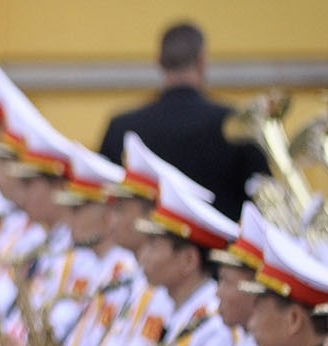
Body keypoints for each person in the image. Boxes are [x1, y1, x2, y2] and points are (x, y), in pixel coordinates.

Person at [97, 21, 266, 220]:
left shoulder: (122, 128)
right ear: (202, 61)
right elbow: (264, 202)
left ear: (159, 61)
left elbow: (103, 199)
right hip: (222, 248)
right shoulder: (239, 125)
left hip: (146, 249)